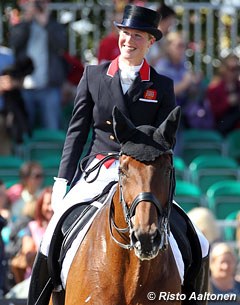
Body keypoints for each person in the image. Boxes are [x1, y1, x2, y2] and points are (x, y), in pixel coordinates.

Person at [27, 5, 209, 305]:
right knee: (51, 235)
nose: (128, 40)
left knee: (199, 243)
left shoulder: (161, 85)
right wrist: (62, 181)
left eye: (137, 35)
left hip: (144, 174)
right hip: (100, 168)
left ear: (150, 42)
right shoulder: (94, 75)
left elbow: (165, 141)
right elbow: (77, 132)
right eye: (125, 33)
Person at [10, 0, 68, 130]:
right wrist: (27, 21)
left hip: (49, 87)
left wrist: (46, 24)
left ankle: (52, 151)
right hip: (24, 87)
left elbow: (61, 46)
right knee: (23, 129)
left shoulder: (54, 25)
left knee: (52, 128)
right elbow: (14, 43)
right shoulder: (22, 25)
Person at [207, 54, 240, 135]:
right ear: (223, 69)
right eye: (231, 69)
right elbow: (212, 113)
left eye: (236, 69)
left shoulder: (238, 86)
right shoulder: (215, 87)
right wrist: (227, 102)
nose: (234, 72)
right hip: (221, 128)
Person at [146, 2, 177, 67]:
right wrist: (164, 50)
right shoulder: (148, 37)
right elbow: (149, 63)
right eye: (170, 20)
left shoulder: (167, 38)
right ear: (162, 20)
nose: (172, 24)